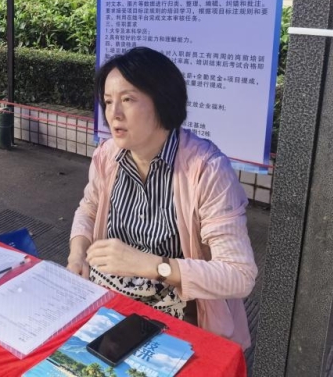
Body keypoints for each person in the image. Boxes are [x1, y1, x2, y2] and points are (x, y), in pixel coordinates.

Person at [67, 47, 257, 350]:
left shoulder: (206, 170)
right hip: (110, 302)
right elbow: (88, 208)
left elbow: (239, 274)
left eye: (128, 99)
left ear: (163, 101)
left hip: (177, 316)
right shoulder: (107, 155)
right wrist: (77, 254)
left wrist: (153, 266)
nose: (114, 114)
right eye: (108, 101)